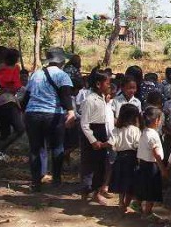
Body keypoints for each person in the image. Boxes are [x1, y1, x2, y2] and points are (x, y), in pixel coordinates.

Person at [23, 47, 76, 192]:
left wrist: (23, 113)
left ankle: (35, 182)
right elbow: (65, 95)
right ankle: (57, 180)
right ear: (61, 60)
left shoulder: (35, 74)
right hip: (53, 114)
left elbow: (26, 96)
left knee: (35, 148)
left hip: (32, 114)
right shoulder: (62, 75)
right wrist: (70, 112)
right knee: (57, 147)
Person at [79, 69, 113, 204]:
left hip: (101, 131)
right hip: (92, 133)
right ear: (99, 84)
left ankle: (96, 191)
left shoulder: (103, 99)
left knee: (100, 165)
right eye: (107, 83)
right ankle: (85, 191)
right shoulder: (89, 100)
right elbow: (84, 124)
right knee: (89, 164)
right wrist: (93, 140)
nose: (109, 86)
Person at [0, 48, 25, 153]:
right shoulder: (3, 70)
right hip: (6, 104)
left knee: (5, 134)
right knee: (20, 129)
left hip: (2, 105)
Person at [107, 103, 141, 213]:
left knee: (121, 181)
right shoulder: (135, 130)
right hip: (132, 158)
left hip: (120, 158)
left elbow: (111, 143)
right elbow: (137, 145)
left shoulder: (116, 130)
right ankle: (126, 204)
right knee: (131, 183)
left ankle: (121, 202)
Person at [136, 106, 166, 220]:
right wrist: (163, 169)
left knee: (144, 188)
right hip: (152, 166)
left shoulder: (144, 131)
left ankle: (139, 206)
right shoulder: (153, 134)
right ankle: (147, 213)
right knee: (151, 191)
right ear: (157, 120)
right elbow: (156, 154)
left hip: (143, 164)